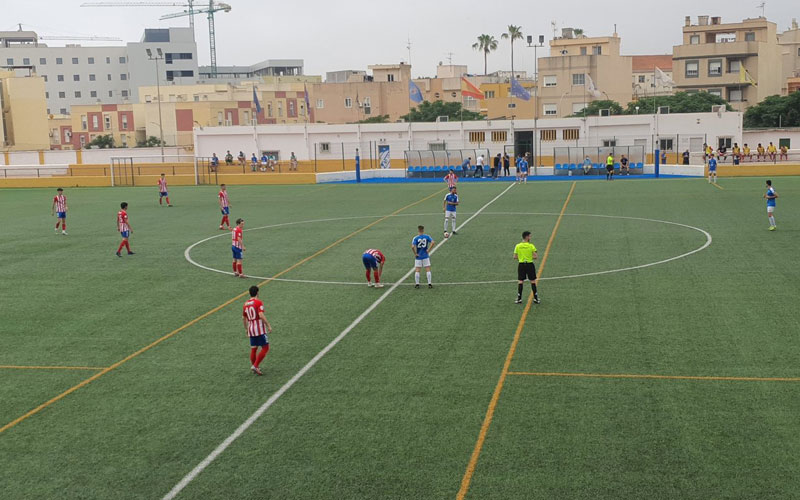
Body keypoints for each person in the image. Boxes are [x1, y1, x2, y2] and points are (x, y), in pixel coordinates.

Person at [242, 285, 273, 376]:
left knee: (254, 349)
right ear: (257, 293)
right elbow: (261, 315)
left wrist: (246, 329)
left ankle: (254, 366)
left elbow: (243, 318)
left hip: (251, 328)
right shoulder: (258, 302)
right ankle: (255, 365)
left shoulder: (245, 304)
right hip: (259, 329)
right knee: (265, 347)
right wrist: (268, 325)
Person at [513, 230, 540, 304]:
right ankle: (536, 298)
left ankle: (519, 298)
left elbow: (515, 257)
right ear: (527, 237)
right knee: (532, 281)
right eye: (530, 236)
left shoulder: (518, 246)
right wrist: (529, 257)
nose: (530, 237)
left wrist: (522, 258)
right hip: (529, 264)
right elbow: (535, 256)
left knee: (520, 281)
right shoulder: (531, 246)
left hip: (521, 264)